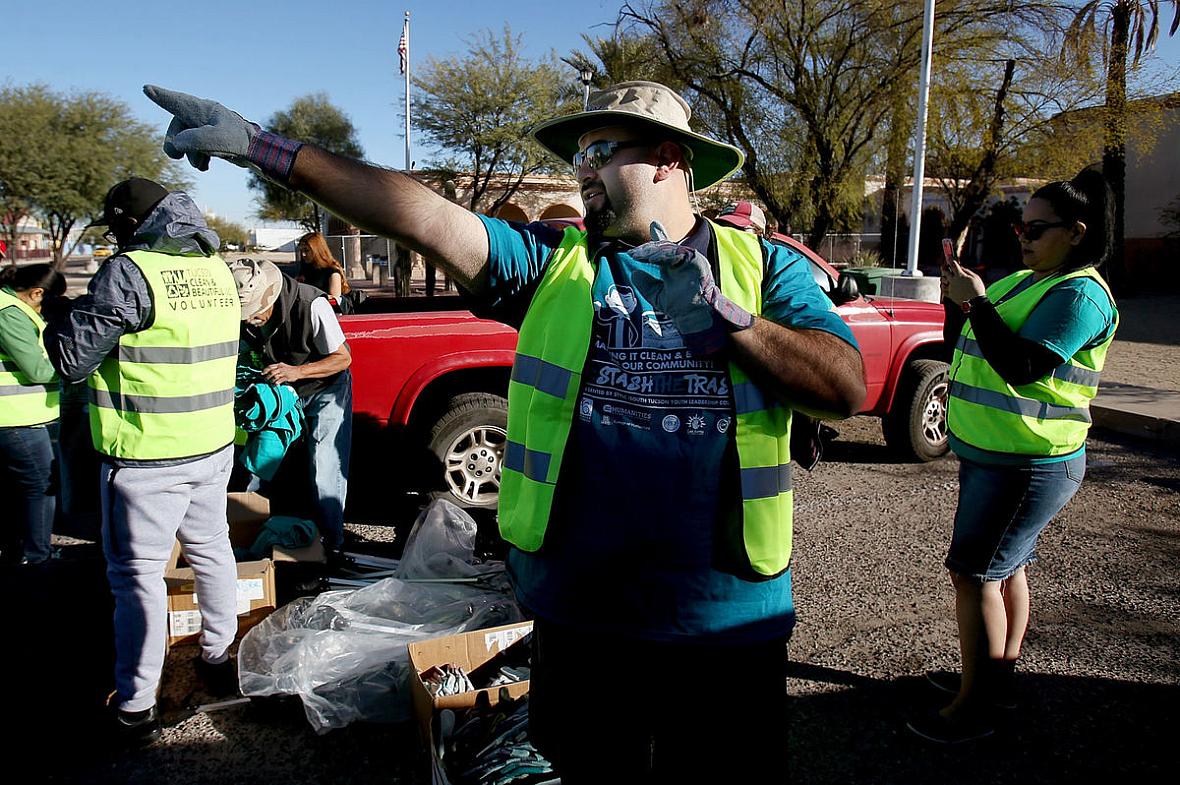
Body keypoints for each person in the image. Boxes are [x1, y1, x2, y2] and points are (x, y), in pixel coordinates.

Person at [144, 80, 866, 781]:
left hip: (726, 623)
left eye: (603, 149)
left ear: (670, 160)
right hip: (582, 619)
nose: (583, 169)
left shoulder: (761, 268)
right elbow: (419, 214)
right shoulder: (554, 265)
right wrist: (265, 148)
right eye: (577, 155)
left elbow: (843, 387)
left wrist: (730, 323)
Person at [907, 170, 1119, 744]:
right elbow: (970, 345)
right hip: (997, 455)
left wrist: (977, 304)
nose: (1022, 236)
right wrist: (962, 301)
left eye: (1037, 227)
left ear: (1077, 233)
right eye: (1020, 225)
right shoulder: (1029, 279)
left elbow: (1025, 366)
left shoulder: (1079, 294)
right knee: (1005, 569)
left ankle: (974, 707)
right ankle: (996, 680)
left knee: (973, 574)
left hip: (1029, 464)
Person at [46, 178, 242, 744]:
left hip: (145, 455)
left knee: (136, 578)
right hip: (211, 444)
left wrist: (66, 312)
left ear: (132, 225)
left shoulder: (129, 272)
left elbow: (71, 360)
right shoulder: (215, 268)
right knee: (212, 549)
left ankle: (135, 702)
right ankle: (217, 655)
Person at [228, 257, 353, 561]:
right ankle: (245, 530)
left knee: (325, 466)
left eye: (255, 314)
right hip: (281, 390)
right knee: (260, 460)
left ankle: (332, 542)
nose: (249, 321)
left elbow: (343, 359)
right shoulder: (245, 316)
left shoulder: (312, 304)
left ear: (270, 296)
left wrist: (297, 372)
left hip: (325, 388)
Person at [0, 263, 65, 566]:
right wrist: (73, 366)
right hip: (16, 420)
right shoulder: (10, 313)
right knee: (41, 486)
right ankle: (37, 556)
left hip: (18, 419)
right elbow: (37, 369)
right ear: (36, 292)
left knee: (18, 490)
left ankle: (16, 550)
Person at [295, 231, 350, 305]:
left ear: (317, 250)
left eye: (306, 250)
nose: (303, 254)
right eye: (301, 251)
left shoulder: (332, 272)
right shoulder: (305, 270)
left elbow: (335, 300)